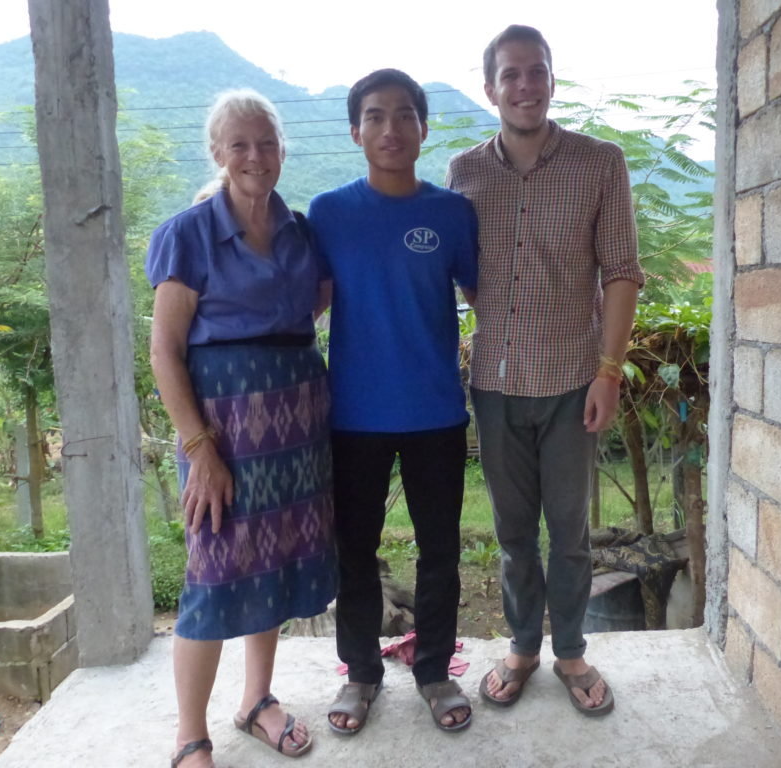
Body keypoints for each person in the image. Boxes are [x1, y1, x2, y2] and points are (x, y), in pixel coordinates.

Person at [447, 25, 643, 716]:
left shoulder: (599, 163)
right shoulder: (465, 172)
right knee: (512, 533)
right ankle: (523, 646)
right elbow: (462, 273)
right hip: (495, 384)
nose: (525, 85)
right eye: (511, 74)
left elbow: (622, 272)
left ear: (552, 80)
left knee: (569, 531)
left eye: (537, 71)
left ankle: (572, 652)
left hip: (570, 381)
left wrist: (609, 372)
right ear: (490, 88)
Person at [147, 89, 336, 768]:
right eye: (239, 144)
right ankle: (189, 735)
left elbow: (315, 304)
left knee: (273, 562)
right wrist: (200, 448)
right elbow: (164, 351)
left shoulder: (302, 231)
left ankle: (257, 700)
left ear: (283, 150)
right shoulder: (188, 233)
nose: (254, 156)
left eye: (266, 143)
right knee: (213, 569)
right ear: (217, 153)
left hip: (295, 429)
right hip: (222, 433)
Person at [307, 68, 478, 734]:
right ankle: (360, 673)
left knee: (440, 551)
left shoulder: (451, 212)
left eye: (405, 114)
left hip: (436, 411)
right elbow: (307, 301)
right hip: (354, 415)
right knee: (354, 549)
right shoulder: (329, 213)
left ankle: (434, 670)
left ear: (423, 128)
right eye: (375, 116)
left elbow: (487, 297)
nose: (391, 128)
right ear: (355, 132)